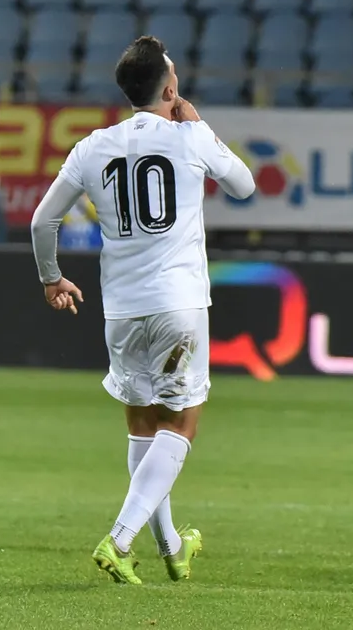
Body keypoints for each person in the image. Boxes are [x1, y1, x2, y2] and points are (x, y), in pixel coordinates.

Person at [29, 36, 256, 585]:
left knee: (142, 426)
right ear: (170, 90)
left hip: (122, 309)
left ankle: (172, 547)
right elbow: (245, 186)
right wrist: (199, 126)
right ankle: (120, 538)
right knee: (181, 423)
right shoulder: (189, 137)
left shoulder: (92, 147)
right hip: (177, 304)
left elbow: (42, 222)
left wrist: (52, 277)